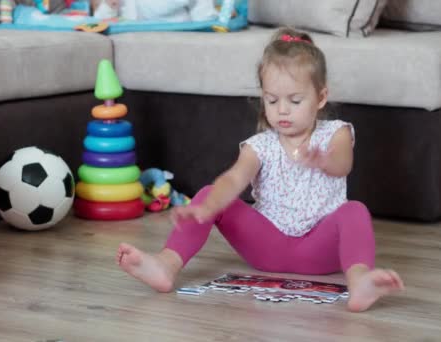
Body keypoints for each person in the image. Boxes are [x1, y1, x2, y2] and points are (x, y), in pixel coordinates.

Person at [117, 27, 404, 312]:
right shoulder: (259, 145)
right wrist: (208, 207)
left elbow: (343, 164)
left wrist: (323, 161)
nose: (282, 110)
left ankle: (359, 281)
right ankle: (166, 265)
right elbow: (234, 178)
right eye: (272, 100)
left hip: (320, 249)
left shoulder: (335, 133)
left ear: (321, 97)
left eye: (295, 100)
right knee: (208, 192)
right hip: (268, 248)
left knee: (355, 210)